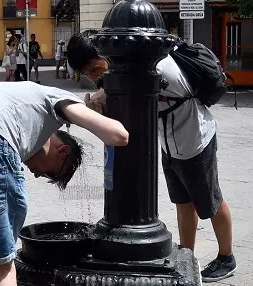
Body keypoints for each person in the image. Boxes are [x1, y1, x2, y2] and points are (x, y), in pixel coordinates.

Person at [66, 31, 236, 283]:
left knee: (209, 200)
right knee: (183, 200)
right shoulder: (127, 69)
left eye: (93, 69)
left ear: (106, 55)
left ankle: (226, 257)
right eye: (87, 74)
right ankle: (187, 255)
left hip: (195, 139)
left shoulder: (155, 67)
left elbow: (134, 94)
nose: (93, 78)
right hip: (170, 143)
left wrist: (106, 97)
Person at [0, 81, 129, 286]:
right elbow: (119, 135)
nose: (37, 174)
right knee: (0, 266)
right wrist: (95, 107)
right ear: (63, 150)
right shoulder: (55, 97)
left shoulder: (20, 101)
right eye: (49, 172)